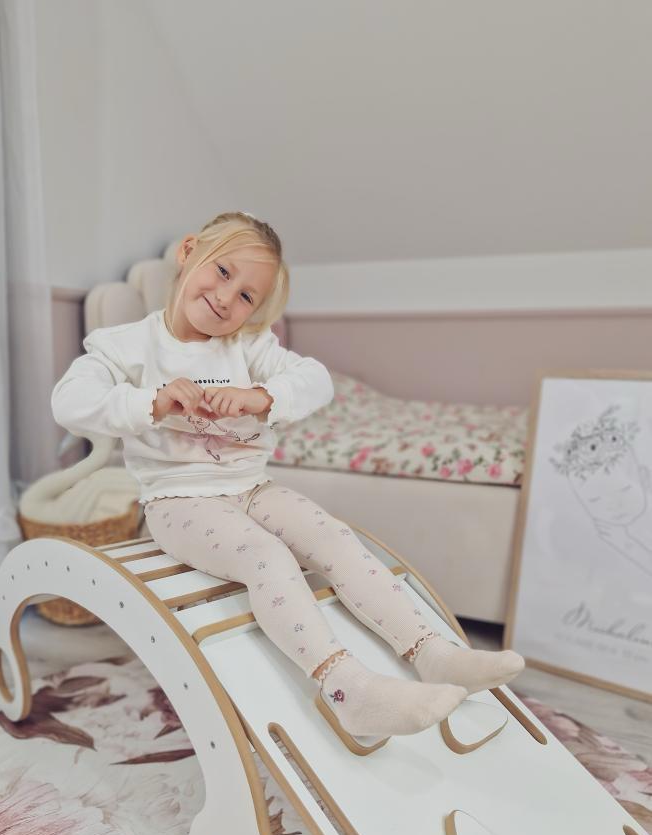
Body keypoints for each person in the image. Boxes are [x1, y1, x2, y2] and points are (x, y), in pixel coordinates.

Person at [51, 211, 524, 741]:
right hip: (179, 501)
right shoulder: (124, 345)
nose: (227, 298)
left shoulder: (248, 346)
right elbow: (70, 402)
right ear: (188, 252)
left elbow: (315, 380)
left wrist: (262, 397)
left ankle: (432, 653)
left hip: (253, 488)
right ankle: (348, 691)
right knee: (267, 557)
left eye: (247, 296)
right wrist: (151, 402)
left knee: (334, 537)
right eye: (223, 271)